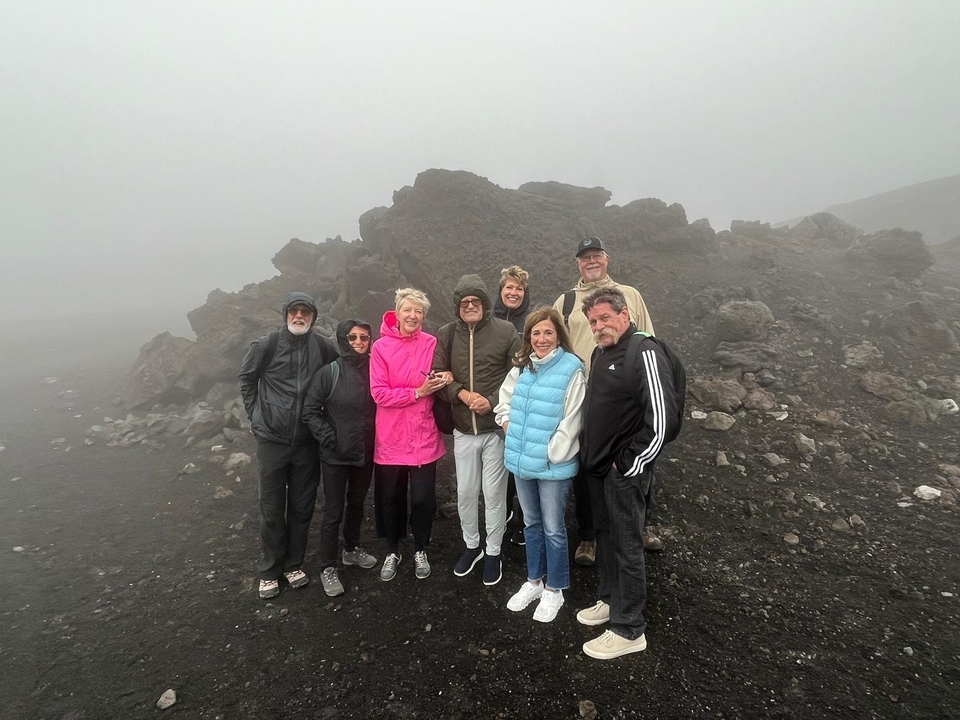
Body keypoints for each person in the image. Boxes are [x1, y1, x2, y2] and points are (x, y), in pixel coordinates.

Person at [576, 287, 680, 659]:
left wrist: (629, 465)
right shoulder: (601, 353)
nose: (599, 326)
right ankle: (609, 599)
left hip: (624, 471)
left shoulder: (643, 351)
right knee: (605, 538)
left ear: (624, 314)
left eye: (605, 318)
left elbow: (662, 420)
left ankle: (629, 627)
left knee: (627, 543)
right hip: (600, 468)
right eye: (593, 321)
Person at [552, 237, 660, 567]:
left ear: (606, 258)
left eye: (596, 255)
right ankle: (589, 535)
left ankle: (638, 526)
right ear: (578, 264)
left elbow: (648, 341)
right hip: (582, 395)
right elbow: (552, 345)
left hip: (626, 394)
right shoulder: (567, 302)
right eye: (585, 257)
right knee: (587, 462)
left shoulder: (631, 296)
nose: (591, 261)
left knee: (637, 456)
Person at [239, 292, 339, 600]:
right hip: (271, 439)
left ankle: (293, 564)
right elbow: (247, 379)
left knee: (302, 506)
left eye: (305, 312)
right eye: (294, 311)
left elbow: (341, 373)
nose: (299, 316)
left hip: (307, 441)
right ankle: (270, 570)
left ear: (313, 317)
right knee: (271, 508)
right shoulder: (266, 345)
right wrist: (255, 416)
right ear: (285, 315)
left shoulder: (322, 346)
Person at [495, 307, 585, 623]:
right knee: (531, 523)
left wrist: (551, 454)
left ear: (558, 334)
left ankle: (555, 588)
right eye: (536, 333)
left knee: (553, 528)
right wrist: (507, 425)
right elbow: (503, 400)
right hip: (521, 460)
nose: (542, 338)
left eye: (548, 332)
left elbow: (573, 419)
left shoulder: (572, 368)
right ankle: (534, 581)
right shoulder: (523, 366)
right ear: (528, 337)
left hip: (551, 465)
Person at [433, 274, 520, 586]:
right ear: (457, 307)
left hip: (495, 430)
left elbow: (519, 373)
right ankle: (472, 546)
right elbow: (437, 374)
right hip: (462, 431)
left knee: (494, 495)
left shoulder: (506, 331)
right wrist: (462, 394)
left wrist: (493, 402)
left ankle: (493, 550)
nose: (470, 306)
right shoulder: (446, 334)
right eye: (464, 302)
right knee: (466, 494)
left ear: (485, 303)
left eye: (476, 301)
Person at [369, 288, 449, 582]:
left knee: (423, 499)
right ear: (397, 313)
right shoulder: (379, 348)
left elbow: (444, 371)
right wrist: (417, 392)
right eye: (408, 310)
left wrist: (445, 378)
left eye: (418, 312)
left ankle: (420, 548)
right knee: (390, 497)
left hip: (423, 434)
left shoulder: (431, 343)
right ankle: (392, 550)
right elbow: (378, 393)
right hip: (390, 436)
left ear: (424, 317)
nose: (413, 316)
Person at [302, 318, 378, 597]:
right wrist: (330, 439)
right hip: (335, 455)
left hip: (365, 451)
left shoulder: (375, 370)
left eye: (364, 338)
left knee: (357, 504)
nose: (358, 343)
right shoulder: (328, 373)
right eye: (352, 337)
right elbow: (310, 411)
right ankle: (327, 566)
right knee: (333, 511)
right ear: (342, 339)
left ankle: (351, 549)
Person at [493, 265, 532, 546]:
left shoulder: (532, 324)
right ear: (500, 291)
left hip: (524, 405)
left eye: (519, 288)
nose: (513, 292)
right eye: (509, 287)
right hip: (493, 406)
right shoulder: (487, 320)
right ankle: (502, 520)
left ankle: (522, 522)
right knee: (499, 471)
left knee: (522, 467)